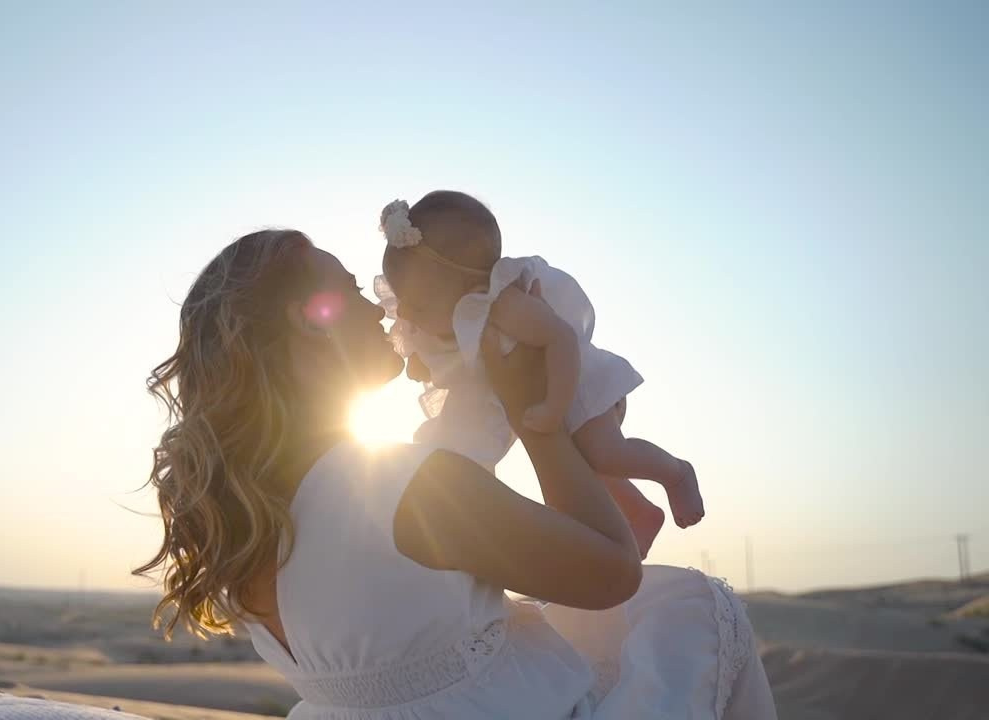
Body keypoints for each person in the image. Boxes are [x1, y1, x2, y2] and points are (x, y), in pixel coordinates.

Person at [137, 229, 777, 718]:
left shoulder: (241, 519)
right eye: (355, 290)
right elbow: (614, 571)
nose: (381, 310)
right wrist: (539, 417)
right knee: (693, 609)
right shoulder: (406, 484)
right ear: (311, 320)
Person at [374, 191, 703, 555]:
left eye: (416, 302)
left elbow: (559, 338)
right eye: (400, 297)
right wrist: (423, 360)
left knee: (603, 454)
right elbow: (442, 351)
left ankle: (675, 472)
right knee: (582, 470)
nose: (404, 312)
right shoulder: (435, 311)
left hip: (576, 384)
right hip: (533, 394)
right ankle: (638, 514)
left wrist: (554, 408)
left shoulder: (505, 304)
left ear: (470, 287)